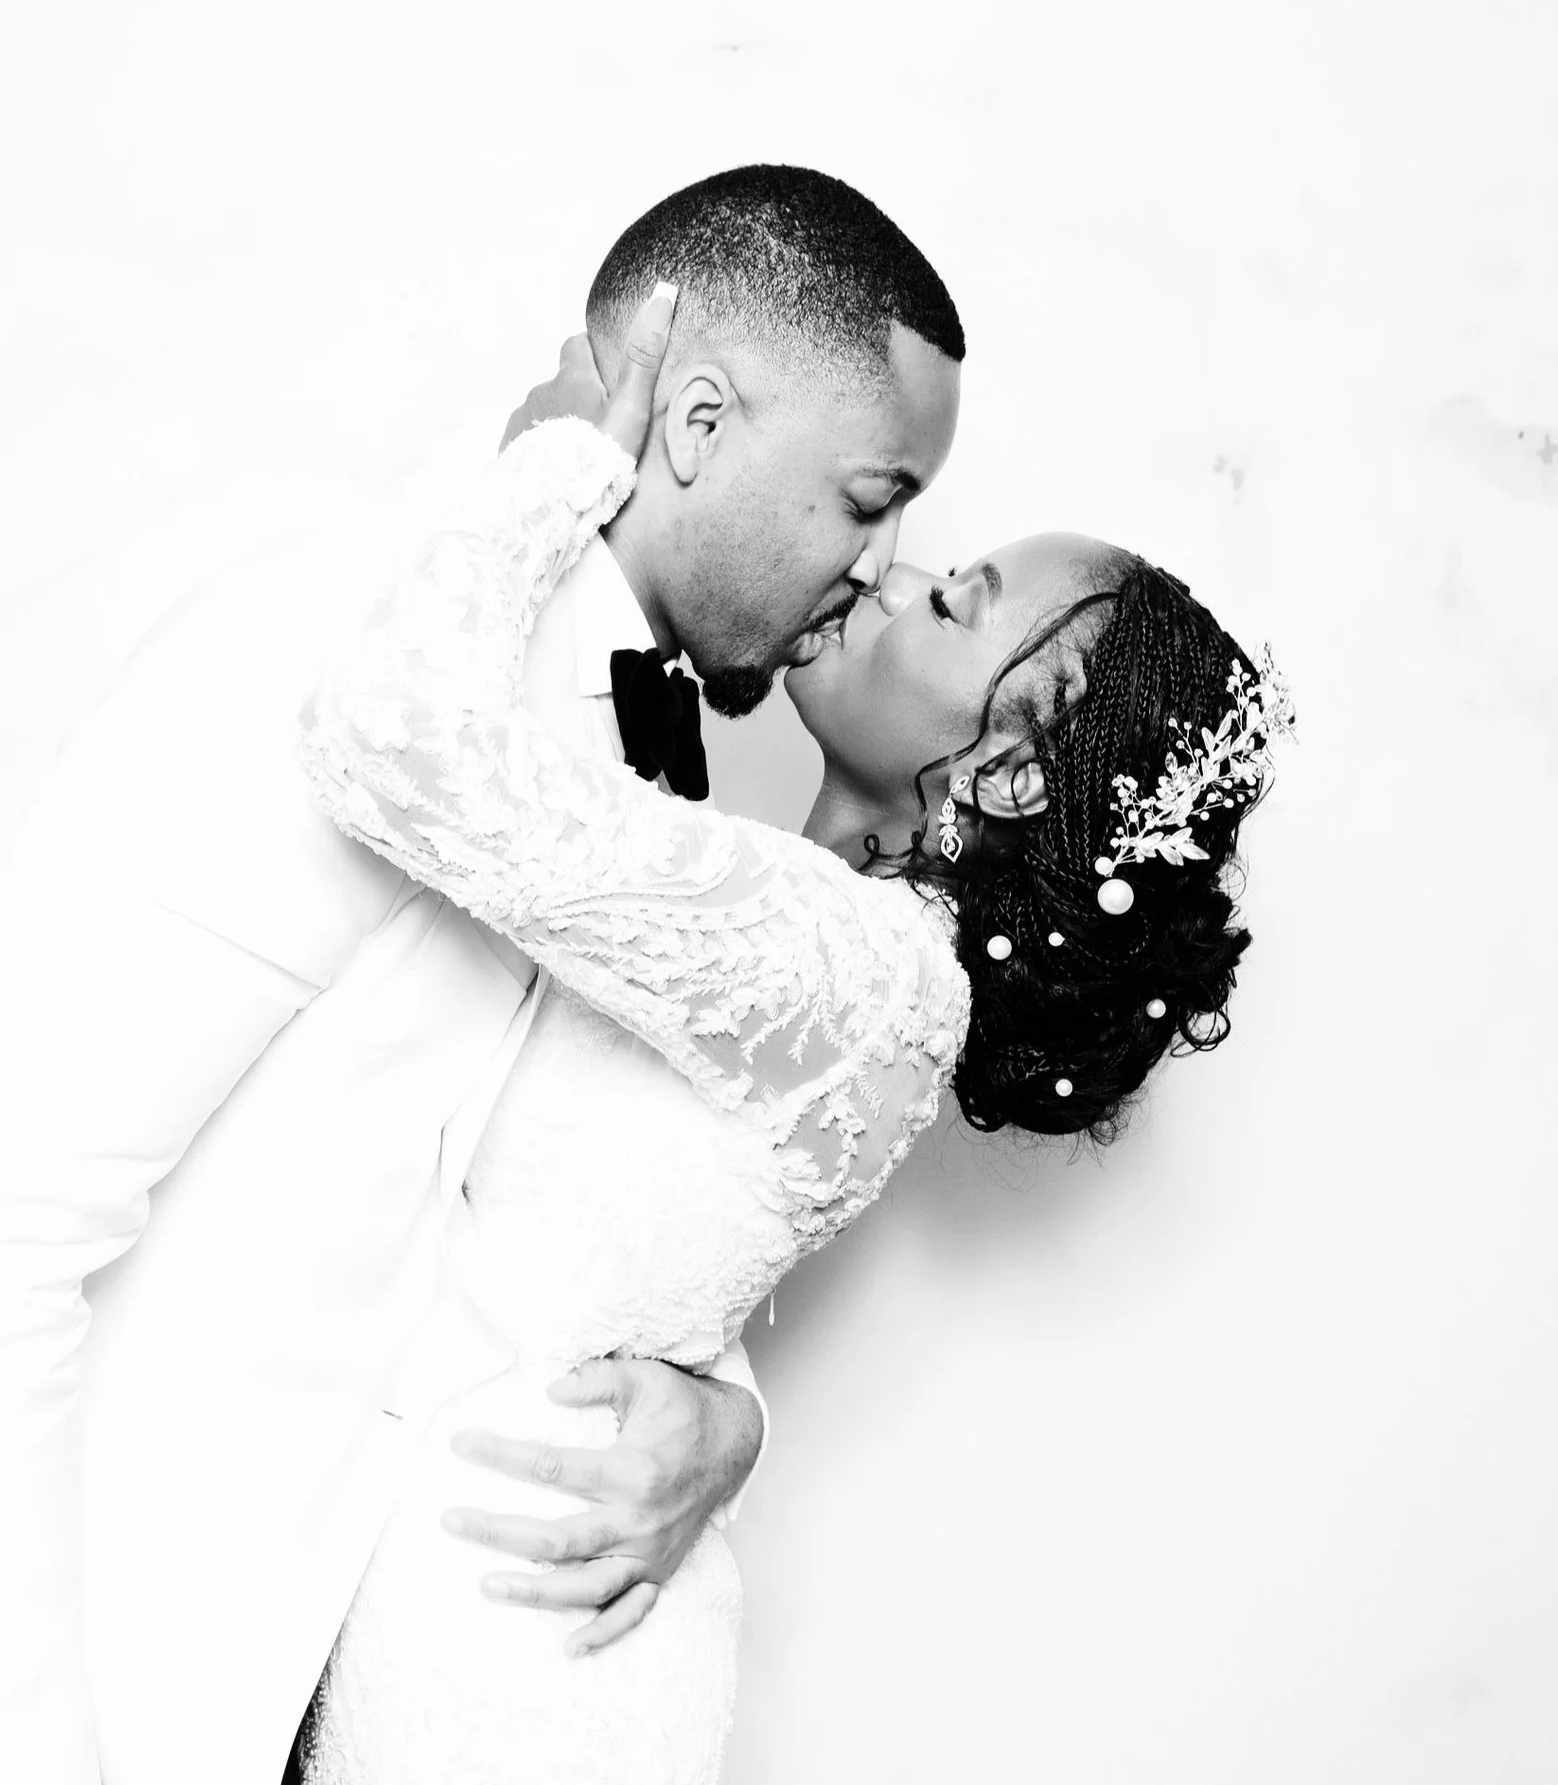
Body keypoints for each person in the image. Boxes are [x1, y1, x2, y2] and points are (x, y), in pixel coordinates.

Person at [0, 166, 970, 1784]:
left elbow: (570, 1207)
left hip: (277, 1699)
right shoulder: (335, 659)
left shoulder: (621, 781)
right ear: (698, 422)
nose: (878, 562)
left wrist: (725, 1420)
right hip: (45, 1699)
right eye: (874, 497)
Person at [286, 281, 1289, 1783]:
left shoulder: (841, 967)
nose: (889, 579)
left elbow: (392, 739)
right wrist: (726, 1419)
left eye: (952, 605)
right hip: (492, 1622)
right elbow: (623, 1270)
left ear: (1010, 778)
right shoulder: (833, 954)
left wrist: (555, 468)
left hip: (511, 1684)